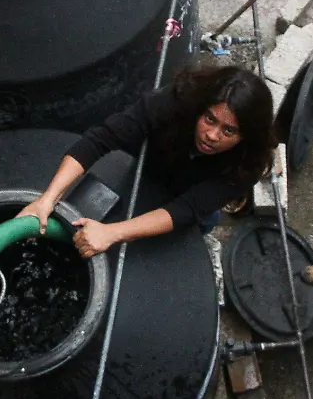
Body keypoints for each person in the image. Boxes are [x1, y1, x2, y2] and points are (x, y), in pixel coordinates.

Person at [16, 65, 277, 259]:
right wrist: (48, 198)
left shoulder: (247, 164)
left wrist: (111, 232)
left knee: (200, 224)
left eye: (228, 131)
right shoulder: (173, 102)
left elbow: (185, 209)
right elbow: (101, 138)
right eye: (209, 119)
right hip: (156, 169)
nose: (212, 135)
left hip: (195, 196)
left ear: (245, 136)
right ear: (200, 108)